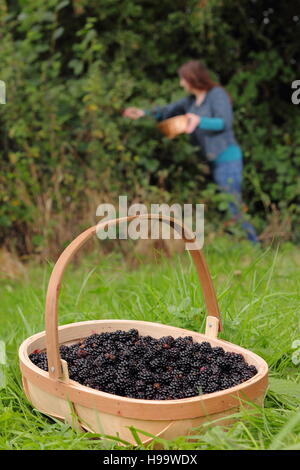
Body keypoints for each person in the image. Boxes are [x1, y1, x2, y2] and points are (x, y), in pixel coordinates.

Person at [123, 60, 258, 243]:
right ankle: (240, 245)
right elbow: (167, 111)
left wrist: (198, 120)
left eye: (183, 79)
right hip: (210, 161)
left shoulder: (216, 95)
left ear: (193, 78)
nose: (181, 83)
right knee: (225, 205)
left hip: (228, 158)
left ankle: (254, 246)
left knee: (233, 204)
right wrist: (144, 113)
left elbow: (224, 122)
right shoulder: (191, 101)